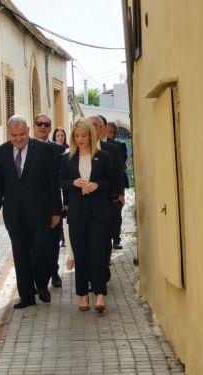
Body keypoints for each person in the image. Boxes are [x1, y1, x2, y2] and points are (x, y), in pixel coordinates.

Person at [0, 115, 62, 309]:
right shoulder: (2, 152)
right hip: (14, 215)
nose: (18, 139)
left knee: (41, 253)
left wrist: (56, 211)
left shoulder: (45, 150)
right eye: (14, 135)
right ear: (8, 134)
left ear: (28, 131)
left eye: (22, 134)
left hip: (40, 213)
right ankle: (27, 296)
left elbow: (53, 183)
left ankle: (42, 284)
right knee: (21, 256)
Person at [60, 118, 113, 312]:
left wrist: (97, 185)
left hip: (98, 213)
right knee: (80, 254)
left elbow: (111, 182)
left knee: (98, 252)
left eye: (83, 135)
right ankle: (83, 295)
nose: (80, 139)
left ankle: (99, 294)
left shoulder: (103, 156)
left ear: (91, 135)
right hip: (77, 213)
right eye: (76, 136)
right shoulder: (67, 158)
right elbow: (61, 180)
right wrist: (73, 183)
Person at [88, 116, 124, 282]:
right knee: (89, 243)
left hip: (107, 202)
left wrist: (119, 195)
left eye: (95, 125)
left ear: (101, 129)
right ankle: (92, 275)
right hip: (86, 205)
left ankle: (103, 270)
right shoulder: (78, 149)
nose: (91, 128)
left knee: (104, 240)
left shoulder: (111, 149)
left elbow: (118, 175)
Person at [33, 114, 66, 288]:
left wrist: (65, 203)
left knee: (54, 242)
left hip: (54, 202)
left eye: (47, 124)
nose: (43, 127)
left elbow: (66, 176)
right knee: (37, 245)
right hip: (33, 204)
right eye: (40, 123)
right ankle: (38, 279)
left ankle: (53, 270)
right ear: (34, 126)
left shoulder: (58, 150)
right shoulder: (27, 147)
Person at [106, 121, 128, 249]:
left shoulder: (120, 146)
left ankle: (116, 239)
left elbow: (121, 169)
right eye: (109, 132)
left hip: (117, 187)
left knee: (116, 217)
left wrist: (121, 193)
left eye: (114, 132)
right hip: (105, 189)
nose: (112, 135)